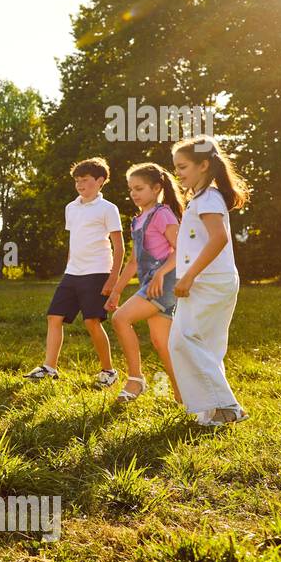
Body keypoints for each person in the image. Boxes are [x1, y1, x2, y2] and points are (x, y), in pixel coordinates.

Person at [168, 136, 251, 426]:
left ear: (204, 165)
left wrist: (189, 277)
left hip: (209, 281)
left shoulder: (209, 199)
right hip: (210, 280)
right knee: (203, 344)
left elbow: (219, 238)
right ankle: (213, 411)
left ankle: (226, 406)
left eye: (183, 166)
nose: (178, 173)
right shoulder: (201, 199)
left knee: (183, 340)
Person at [23, 156, 124, 387]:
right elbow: (74, 241)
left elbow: (119, 246)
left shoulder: (109, 209)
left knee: (92, 322)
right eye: (77, 180)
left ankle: (108, 371)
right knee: (54, 317)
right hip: (73, 273)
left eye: (85, 180)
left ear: (100, 181)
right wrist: (69, 267)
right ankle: (49, 367)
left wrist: (113, 279)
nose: (80, 184)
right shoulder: (71, 207)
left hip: (97, 272)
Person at [105, 163, 183, 402]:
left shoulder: (163, 214)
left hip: (165, 282)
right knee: (161, 343)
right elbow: (133, 262)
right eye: (131, 189)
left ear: (157, 187)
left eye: (139, 188)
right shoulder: (137, 221)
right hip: (149, 282)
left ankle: (135, 379)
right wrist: (116, 292)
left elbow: (182, 251)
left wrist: (161, 274)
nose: (133, 194)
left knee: (121, 319)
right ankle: (184, 396)